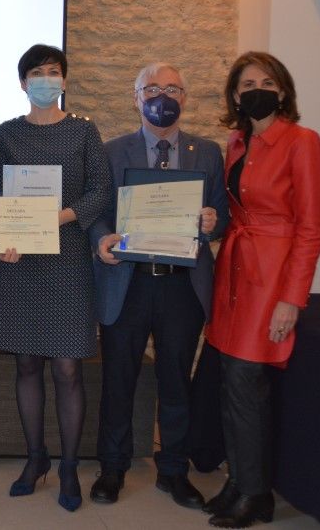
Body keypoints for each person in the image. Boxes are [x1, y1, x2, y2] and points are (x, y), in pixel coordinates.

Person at [88, 62, 228, 509]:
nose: (162, 96)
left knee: (175, 382)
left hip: (182, 287)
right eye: (151, 89)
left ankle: (173, 471)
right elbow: (96, 212)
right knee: (118, 380)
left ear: (184, 98)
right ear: (136, 98)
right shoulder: (111, 151)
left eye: (172, 88)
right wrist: (101, 241)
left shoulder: (207, 152)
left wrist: (213, 221)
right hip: (127, 283)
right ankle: (112, 468)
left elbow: (223, 215)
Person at [0, 44, 111, 512]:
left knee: (68, 368)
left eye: (53, 71)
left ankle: (69, 465)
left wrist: (60, 216)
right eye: (36, 72)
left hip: (68, 258)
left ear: (64, 80)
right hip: (21, 261)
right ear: (23, 83)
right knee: (26, 364)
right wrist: (2, 235)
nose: (45, 79)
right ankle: (35, 458)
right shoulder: (6, 133)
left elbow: (100, 189)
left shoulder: (83, 130)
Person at [203, 51, 320, 528]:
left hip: (272, 277)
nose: (259, 91)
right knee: (230, 378)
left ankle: (256, 493)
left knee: (246, 380)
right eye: (248, 84)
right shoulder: (237, 141)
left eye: (268, 83)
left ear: (283, 90)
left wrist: (291, 299)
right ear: (235, 96)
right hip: (235, 270)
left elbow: (310, 229)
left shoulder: (302, 142)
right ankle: (239, 481)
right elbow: (236, 209)